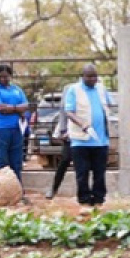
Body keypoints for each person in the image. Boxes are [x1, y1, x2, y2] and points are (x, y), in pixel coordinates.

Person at [65, 63, 113, 206]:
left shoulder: (101, 89)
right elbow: (69, 112)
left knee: (100, 173)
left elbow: (108, 105)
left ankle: (99, 200)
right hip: (81, 140)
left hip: (100, 140)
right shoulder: (74, 90)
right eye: (90, 76)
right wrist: (81, 123)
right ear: (82, 76)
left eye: (95, 76)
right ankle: (84, 201)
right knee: (82, 173)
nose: (93, 79)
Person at [0, 64, 29, 182]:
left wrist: (11, 108)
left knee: (16, 162)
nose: (3, 79)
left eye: (6, 76)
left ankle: (17, 188)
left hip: (16, 128)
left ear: (10, 76)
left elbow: (26, 105)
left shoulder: (17, 89)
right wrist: (17, 109)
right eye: (0, 76)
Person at [45, 84, 73, 200]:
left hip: (87, 133)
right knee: (65, 160)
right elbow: (63, 111)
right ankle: (53, 188)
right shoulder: (69, 89)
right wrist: (63, 130)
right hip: (71, 133)